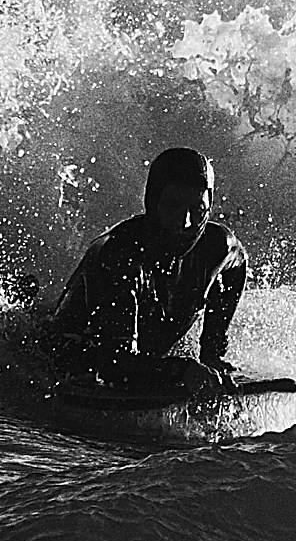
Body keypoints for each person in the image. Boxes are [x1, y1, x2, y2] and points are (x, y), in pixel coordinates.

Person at [45, 147, 247, 390]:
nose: (186, 223)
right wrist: (181, 371)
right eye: (173, 207)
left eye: (198, 210)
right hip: (69, 356)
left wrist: (211, 352)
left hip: (143, 355)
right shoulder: (119, 256)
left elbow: (237, 266)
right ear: (153, 203)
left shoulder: (217, 247)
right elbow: (114, 366)